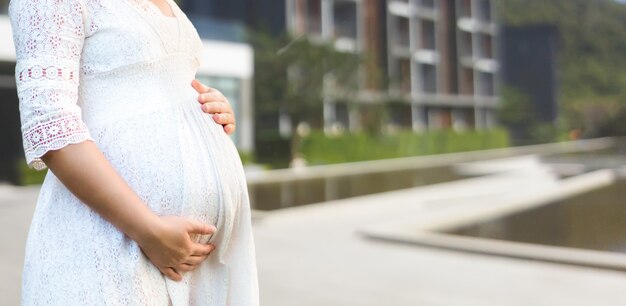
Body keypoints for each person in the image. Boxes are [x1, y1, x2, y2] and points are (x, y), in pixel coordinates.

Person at [9, 0, 258, 304]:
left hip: (199, 270)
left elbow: (148, 85)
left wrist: (208, 106)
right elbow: (50, 126)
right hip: (110, 244)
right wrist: (148, 230)